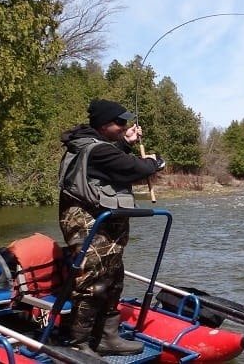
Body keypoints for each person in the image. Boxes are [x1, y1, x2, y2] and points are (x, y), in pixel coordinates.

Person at [58, 99, 164, 357]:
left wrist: (126, 142)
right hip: (88, 224)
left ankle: (107, 337)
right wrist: (155, 162)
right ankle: (78, 342)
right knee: (92, 281)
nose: (125, 126)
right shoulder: (96, 150)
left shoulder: (98, 147)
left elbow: (112, 160)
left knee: (113, 278)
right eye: (120, 123)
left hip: (104, 224)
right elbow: (131, 168)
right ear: (104, 124)